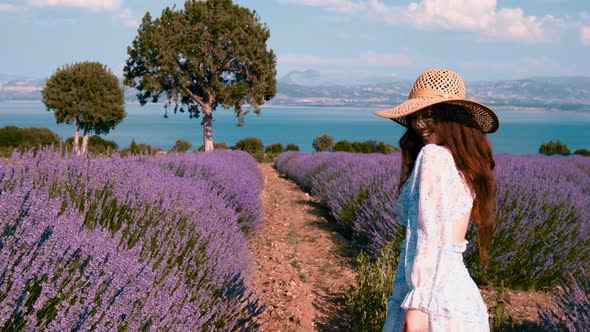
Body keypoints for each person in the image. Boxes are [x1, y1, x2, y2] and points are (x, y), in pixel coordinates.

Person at [374, 68, 499, 332]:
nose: (419, 123)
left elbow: (430, 237)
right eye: (416, 115)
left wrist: (418, 305)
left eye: (429, 114)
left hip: (432, 304)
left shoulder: (433, 157)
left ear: (451, 116)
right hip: (460, 302)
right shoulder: (465, 166)